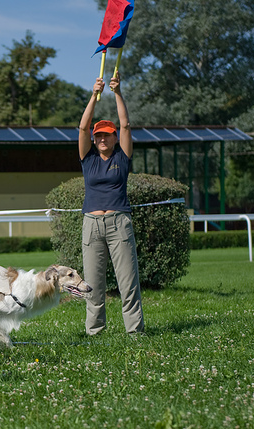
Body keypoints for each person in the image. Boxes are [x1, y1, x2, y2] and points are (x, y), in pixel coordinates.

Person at [78, 73, 145, 336]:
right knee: (93, 284)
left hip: (119, 223)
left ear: (115, 137)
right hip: (91, 224)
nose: (102, 139)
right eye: (99, 136)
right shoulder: (88, 158)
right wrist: (94, 95)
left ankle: (135, 332)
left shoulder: (122, 156)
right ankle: (95, 332)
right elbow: (82, 128)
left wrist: (117, 92)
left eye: (107, 135)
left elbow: (126, 124)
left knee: (128, 282)